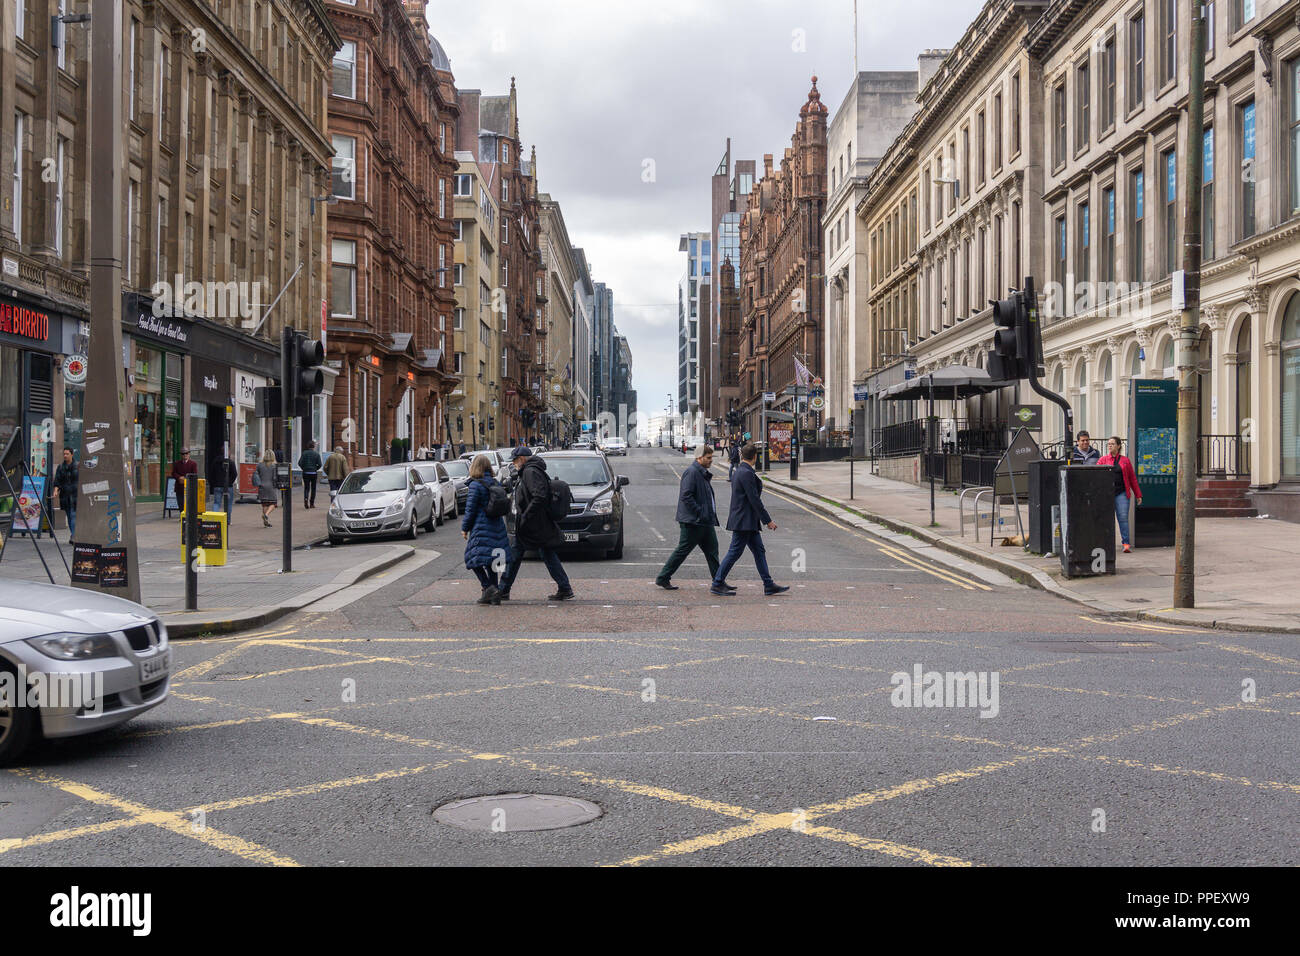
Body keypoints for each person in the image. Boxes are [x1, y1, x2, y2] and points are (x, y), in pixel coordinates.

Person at [711, 443, 789, 597]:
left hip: (747, 520)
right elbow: (754, 499)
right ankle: (717, 583)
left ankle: (768, 584)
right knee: (734, 552)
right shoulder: (745, 473)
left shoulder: (741, 471)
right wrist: (768, 521)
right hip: (744, 521)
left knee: (759, 551)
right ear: (755, 456)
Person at [497, 447, 574, 601]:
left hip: (533, 523)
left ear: (523, 458)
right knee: (543, 554)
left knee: (516, 554)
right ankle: (564, 587)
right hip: (536, 522)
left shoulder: (530, 471)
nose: (514, 463)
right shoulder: (531, 470)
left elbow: (539, 496)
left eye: (515, 459)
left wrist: (526, 515)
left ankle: (503, 589)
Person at [656, 445, 729, 591]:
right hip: (693, 522)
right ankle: (663, 577)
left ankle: (718, 581)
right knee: (683, 550)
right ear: (699, 457)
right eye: (708, 458)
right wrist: (700, 512)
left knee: (712, 551)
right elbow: (686, 496)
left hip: (704, 521)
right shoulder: (692, 472)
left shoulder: (701, 472)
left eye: (711, 458)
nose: (711, 461)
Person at [462, 453, 511, 606]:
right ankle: (494, 592)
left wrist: (465, 528)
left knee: (472, 559)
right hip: (497, 525)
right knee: (493, 562)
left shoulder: (475, 485)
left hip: (481, 527)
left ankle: (487, 587)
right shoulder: (495, 482)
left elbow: (470, 510)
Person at [1098, 436, 1142, 554]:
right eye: (1108, 444)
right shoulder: (1102, 460)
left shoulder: (1125, 461)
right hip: (1107, 494)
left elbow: (1132, 478)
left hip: (1121, 493)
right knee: (1106, 519)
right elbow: (1096, 474)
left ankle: (1126, 544)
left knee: (1122, 518)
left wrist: (1138, 494)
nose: (1110, 446)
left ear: (1118, 446)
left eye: (1112, 444)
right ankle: (1105, 543)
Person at [52, 447, 77, 538]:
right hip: (65, 496)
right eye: (64, 454)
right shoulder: (61, 467)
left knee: (73, 515)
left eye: (67, 454)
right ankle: (73, 534)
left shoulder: (78, 466)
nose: (65, 456)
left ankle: (74, 536)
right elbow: (57, 481)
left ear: (72, 454)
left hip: (75, 496)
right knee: (69, 516)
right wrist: (55, 491)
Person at [206, 451, 238, 521]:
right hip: (228, 486)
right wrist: (230, 482)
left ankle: (215, 519)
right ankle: (228, 520)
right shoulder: (231, 462)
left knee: (216, 503)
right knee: (228, 504)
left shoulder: (215, 462)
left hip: (217, 485)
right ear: (227, 453)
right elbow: (235, 474)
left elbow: (211, 473)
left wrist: (214, 483)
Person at [170, 447, 198, 513]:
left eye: (186, 453)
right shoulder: (177, 463)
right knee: (180, 502)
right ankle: (182, 515)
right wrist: (179, 477)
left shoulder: (193, 464)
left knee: (188, 503)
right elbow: (173, 473)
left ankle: (188, 516)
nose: (185, 455)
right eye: (183, 454)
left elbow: (194, 474)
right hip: (179, 486)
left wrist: (185, 478)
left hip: (189, 487)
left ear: (189, 454)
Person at [255, 448, 279, 527]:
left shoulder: (259, 465)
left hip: (262, 486)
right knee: (273, 503)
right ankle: (266, 515)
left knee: (264, 504)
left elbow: (256, 475)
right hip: (271, 486)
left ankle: (266, 521)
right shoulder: (274, 466)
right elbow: (275, 478)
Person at [298, 440, 322, 509]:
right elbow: (320, 464)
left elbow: (299, 463)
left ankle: (305, 499)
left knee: (306, 488)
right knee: (313, 488)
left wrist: (304, 468)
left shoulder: (304, 453)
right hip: (313, 473)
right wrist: (315, 469)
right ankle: (312, 503)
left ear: (308, 446)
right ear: (314, 446)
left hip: (305, 473)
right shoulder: (316, 454)